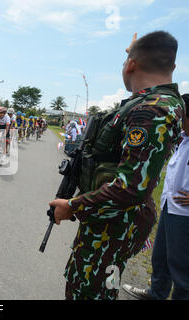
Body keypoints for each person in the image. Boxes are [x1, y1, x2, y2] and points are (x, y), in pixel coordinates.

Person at [49, 31, 186, 300]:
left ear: (132, 65)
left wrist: (72, 206)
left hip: (113, 228)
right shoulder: (154, 103)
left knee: (88, 290)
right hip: (113, 225)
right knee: (101, 283)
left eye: (127, 60)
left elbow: (130, 188)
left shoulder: (152, 110)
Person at [122, 93, 189, 300]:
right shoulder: (183, 139)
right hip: (170, 205)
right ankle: (156, 294)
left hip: (185, 214)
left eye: (182, 115)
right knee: (161, 257)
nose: (177, 118)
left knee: (182, 268)